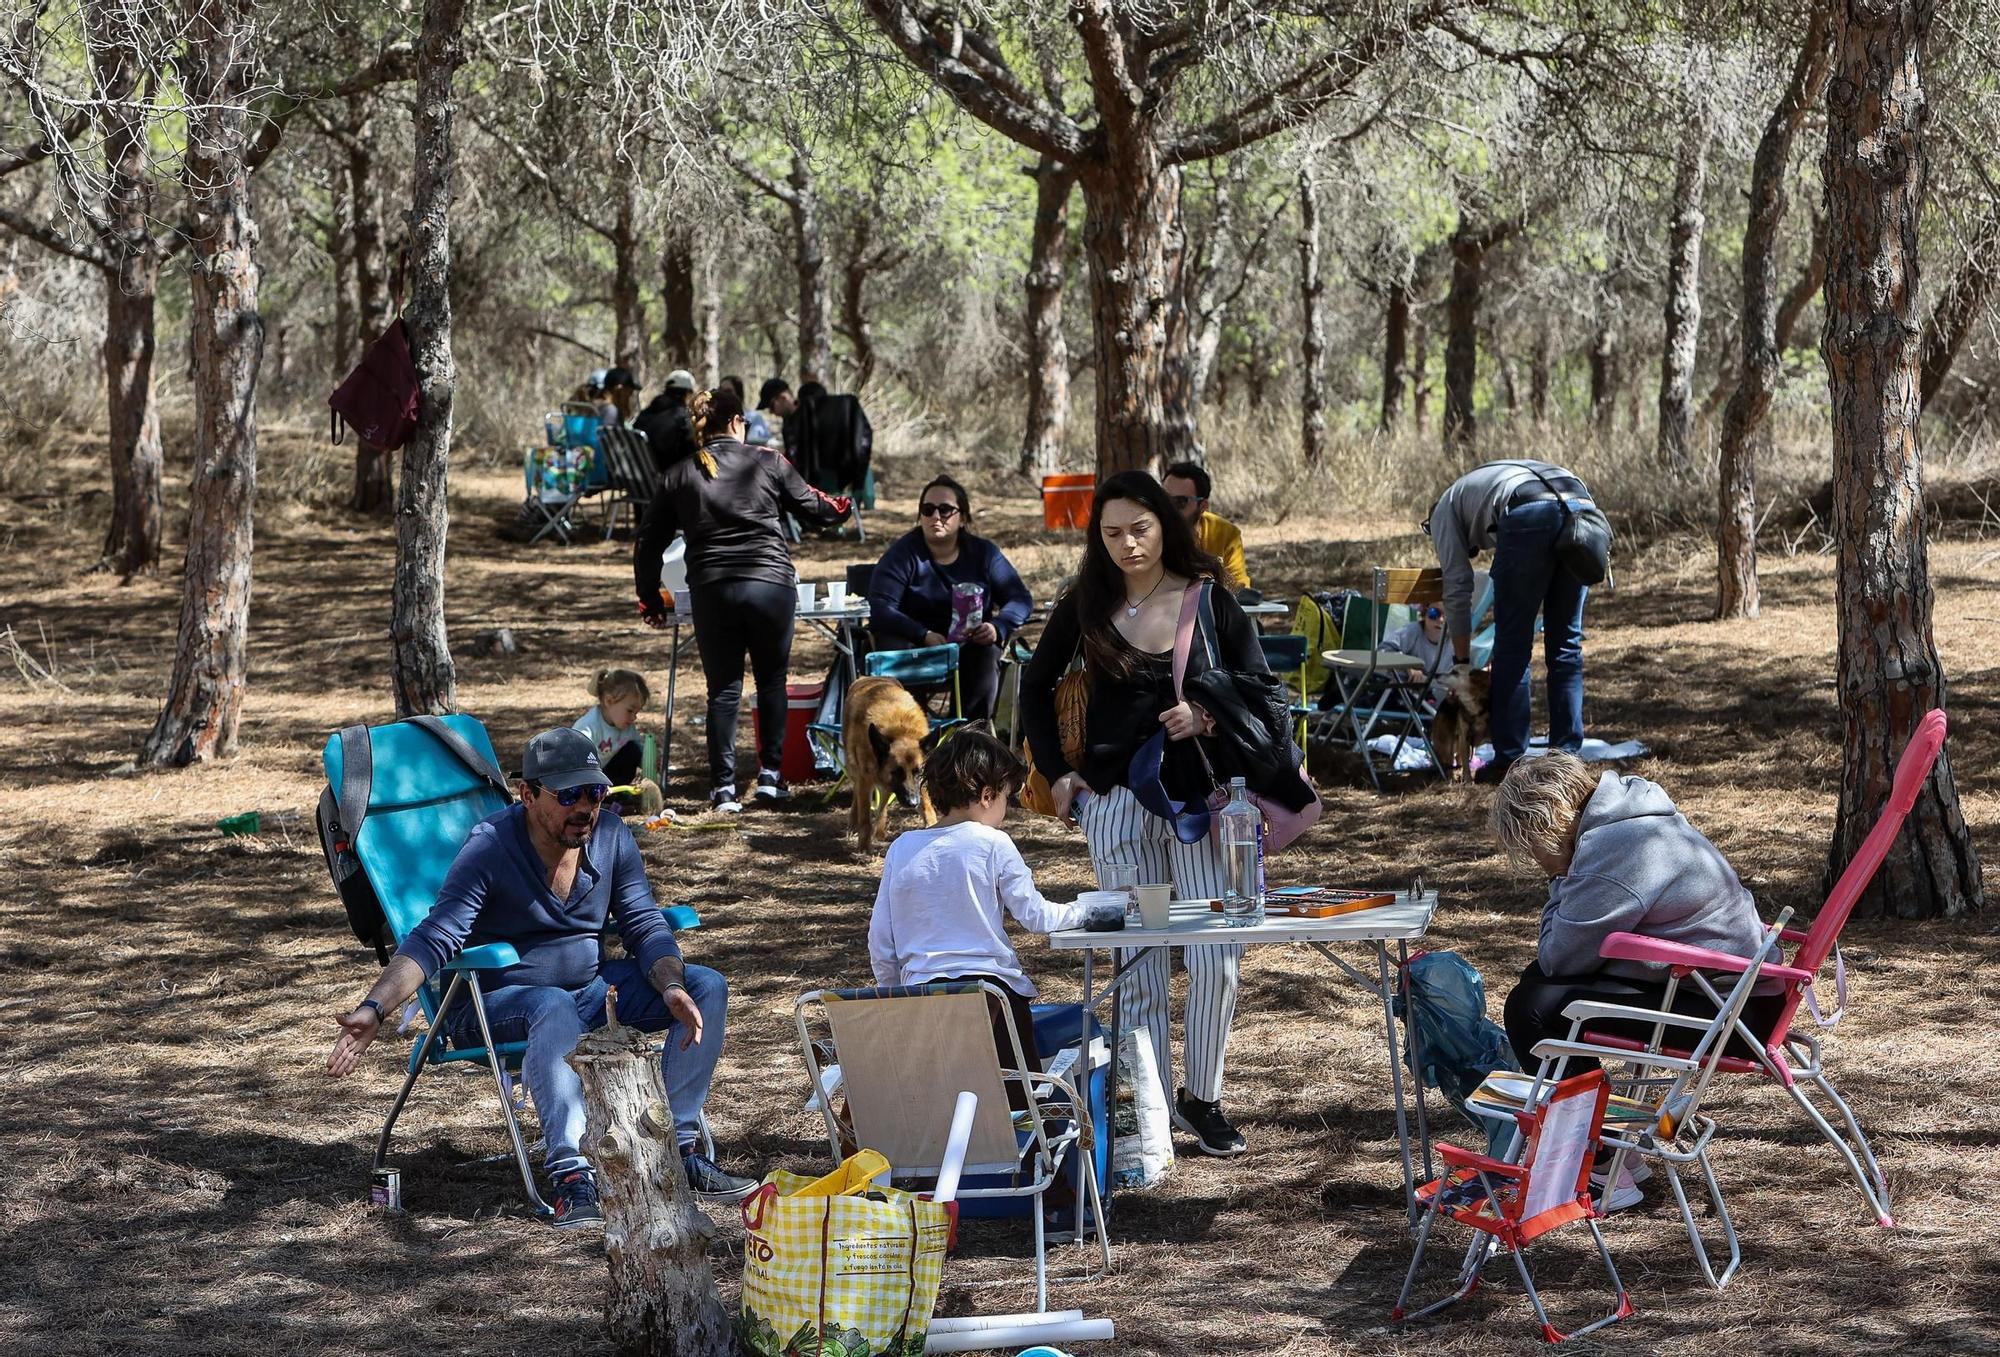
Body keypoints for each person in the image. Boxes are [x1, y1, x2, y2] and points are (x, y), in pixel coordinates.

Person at [323, 727, 757, 1226]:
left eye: (596, 792)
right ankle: (572, 1176)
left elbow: (642, 921)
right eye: (568, 794)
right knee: (551, 1004)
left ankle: (677, 1153)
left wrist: (672, 986)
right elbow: (434, 937)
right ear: (528, 795)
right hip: (491, 1005)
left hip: (590, 993)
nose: (586, 807)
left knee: (707, 985)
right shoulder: (491, 846)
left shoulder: (611, 836)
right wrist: (376, 1007)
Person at [1019, 470, 1275, 1160]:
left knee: (1217, 953)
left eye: (1140, 528)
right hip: (1116, 806)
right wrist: (1060, 772)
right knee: (1140, 958)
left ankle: (1205, 1097)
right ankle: (1151, 1105)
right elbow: (1035, 684)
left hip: (1199, 804)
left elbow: (1263, 689)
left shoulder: (1210, 600)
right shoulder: (1087, 603)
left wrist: (1209, 715)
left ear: (1166, 524)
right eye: (1111, 533)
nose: (1128, 544)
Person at [633, 385, 851, 813]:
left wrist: (650, 600)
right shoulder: (768, 461)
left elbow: (648, 542)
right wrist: (843, 505)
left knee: (724, 691)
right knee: (772, 681)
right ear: (736, 422)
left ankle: (724, 790)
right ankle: (771, 777)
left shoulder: (679, 473)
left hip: (713, 591)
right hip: (770, 585)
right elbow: (816, 507)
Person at [1494, 752, 1780, 1070]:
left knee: (1530, 1008)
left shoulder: (1611, 849)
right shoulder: (1631, 815)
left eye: (1530, 845)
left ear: (1545, 826)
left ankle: (1582, 1119)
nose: (1534, 858)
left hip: (1736, 1018)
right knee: (1536, 984)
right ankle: (1585, 1111)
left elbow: (1558, 959)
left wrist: (1559, 875)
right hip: (1740, 998)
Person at [868, 725, 1089, 1105]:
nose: (1005, 809)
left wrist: (899, 995)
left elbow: (880, 943)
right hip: (993, 1001)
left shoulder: (902, 848)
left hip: (922, 998)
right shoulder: (992, 843)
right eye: (1005, 797)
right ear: (987, 795)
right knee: (1014, 1109)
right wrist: (1086, 909)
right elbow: (1036, 916)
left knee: (941, 1102)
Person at [1424, 459, 1593, 783]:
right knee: (1566, 647)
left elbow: (1457, 588)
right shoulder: (1479, 487)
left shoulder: (1444, 509)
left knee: (1512, 649)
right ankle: (1569, 762)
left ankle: (1509, 762)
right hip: (1583, 509)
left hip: (1529, 513)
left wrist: (1462, 663)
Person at [867, 474, 1034, 721]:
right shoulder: (903, 555)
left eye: (945, 510)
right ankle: (911, 742)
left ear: (963, 518)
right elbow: (880, 607)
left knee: (986, 652)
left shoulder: (984, 554)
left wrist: (998, 627)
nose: (936, 516)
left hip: (970, 647)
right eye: (928, 510)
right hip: (917, 647)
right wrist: (922, 635)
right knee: (894, 647)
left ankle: (972, 739)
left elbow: (1020, 598)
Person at [1160, 460, 1250, 591]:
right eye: (1164, 499)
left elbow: (1239, 586)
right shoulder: (1149, 531)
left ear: (1203, 506)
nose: (1169, 508)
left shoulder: (1226, 534)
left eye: (1180, 502)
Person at [1383, 603, 1452, 704]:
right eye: (1434, 613)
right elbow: (1384, 651)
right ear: (1424, 612)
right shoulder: (1412, 631)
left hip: (1434, 693)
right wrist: (1408, 666)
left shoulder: (1455, 644)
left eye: (1449, 615)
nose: (1441, 620)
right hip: (1400, 688)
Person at [632, 369, 697, 473]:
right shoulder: (682, 417)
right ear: (687, 393)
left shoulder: (645, 414)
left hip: (642, 477)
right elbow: (691, 452)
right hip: (667, 479)